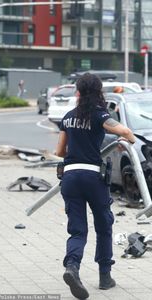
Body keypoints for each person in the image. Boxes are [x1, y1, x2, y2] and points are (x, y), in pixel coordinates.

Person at [56, 73, 136, 299]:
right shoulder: (100, 114)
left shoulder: (68, 117)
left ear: (78, 92)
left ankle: (72, 267)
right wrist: (126, 143)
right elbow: (125, 132)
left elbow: (60, 151)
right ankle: (104, 276)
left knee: (77, 229)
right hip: (93, 177)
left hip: (70, 178)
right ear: (98, 92)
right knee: (103, 225)